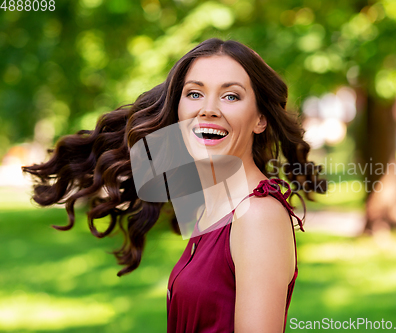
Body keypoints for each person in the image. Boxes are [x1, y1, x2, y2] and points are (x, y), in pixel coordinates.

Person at [22, 38, 326, 332]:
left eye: (230, 96)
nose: (208, 109)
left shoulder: (258, 216)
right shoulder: (216, 209)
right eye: (194, 94)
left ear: (260, 119)